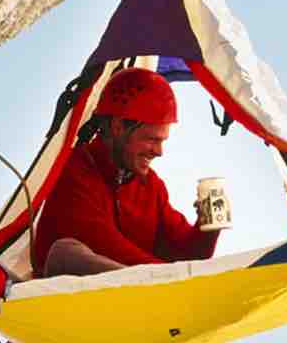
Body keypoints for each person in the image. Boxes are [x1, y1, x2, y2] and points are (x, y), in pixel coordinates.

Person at [33, 67, 222, 278]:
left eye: (162, 141)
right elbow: (106, 246)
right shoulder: (74, 171)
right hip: (66, 294)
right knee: (66, 253)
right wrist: (170, 278)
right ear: (118, 127)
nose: (159, 152)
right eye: (151, 139)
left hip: (142, 291)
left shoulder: (151, 187)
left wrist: (208, 225)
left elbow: (188, 254)